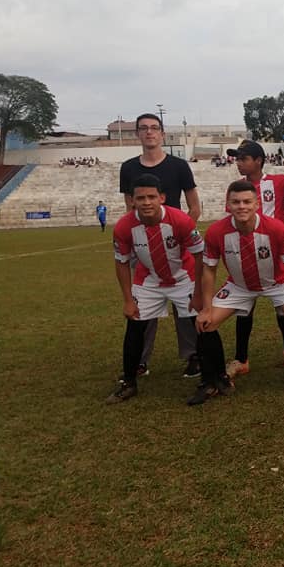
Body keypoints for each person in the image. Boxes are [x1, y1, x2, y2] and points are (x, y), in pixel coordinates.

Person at [194, 180, 284, 405]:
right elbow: (209, 270)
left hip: (276, 283)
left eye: (247, 201)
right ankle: (216, 380)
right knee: (205, 324)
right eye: (236, 202)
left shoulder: (275, 227)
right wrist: (206, 308)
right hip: (239, 285)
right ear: (228, 205)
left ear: (257, 204)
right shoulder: (217, 231)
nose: (242, 206)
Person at [105, 175, 204, 404]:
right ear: (132, 201)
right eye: (141, 198)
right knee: (135, 327)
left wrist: (198, 292)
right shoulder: (124, 226)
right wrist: (128, 300)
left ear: (162, 197)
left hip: (183, 278)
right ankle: (129, 382)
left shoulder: (180, 220)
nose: (146, 202)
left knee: (200, 325)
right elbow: (121, 263)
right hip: (148, 280)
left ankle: (210, 378)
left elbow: (200, 255)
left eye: (151, 197)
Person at [119, 113, 202, 379]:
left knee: (185, 303)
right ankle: (140, 361)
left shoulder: (178, 166)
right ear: (137, 134)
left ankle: (193, 356)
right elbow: (128, 206)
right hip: (143, 244)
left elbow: (194, 205)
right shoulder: (128, 167)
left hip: (176, 243)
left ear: (163, 134)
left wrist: (180, 233)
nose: (149, 132)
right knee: (143, 301)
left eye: (154, 128)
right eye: (143, 128)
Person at [224, 140, 284, 379]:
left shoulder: (278, 181)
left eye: (243, 158)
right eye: (237, 158)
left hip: (274, 252)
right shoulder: (237, 189)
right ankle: (241, 359)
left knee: (283, 306)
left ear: (258, 160)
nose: (238, 163)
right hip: (246, 253)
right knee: (244, 307)